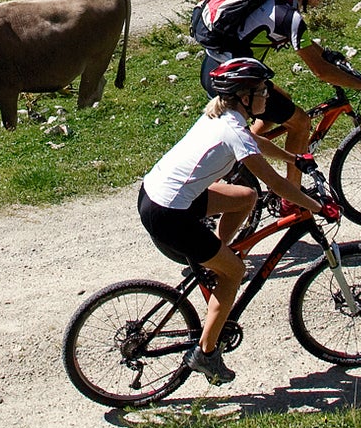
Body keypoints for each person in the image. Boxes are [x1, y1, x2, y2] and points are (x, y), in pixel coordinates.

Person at [138, 56, 337, 385]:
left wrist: (294, 158)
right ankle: (206, 353)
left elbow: (254, 142)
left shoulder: (225, 115)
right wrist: (317, 206)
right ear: (244, 96)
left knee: (246, 197)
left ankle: (220, 256)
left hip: (156, 194)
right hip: (168, 213)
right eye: (262, 90)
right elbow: (277, 184)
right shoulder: (232, 128)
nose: (267, 96)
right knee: (235, 272)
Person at [193, 0, 361, 161]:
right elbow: (321, 72)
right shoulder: (289, 17)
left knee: (282, 102)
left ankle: (241, 156)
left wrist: (328, 55)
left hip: (215, 66)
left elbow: (306, 44)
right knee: (300, 122)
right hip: (234, 82)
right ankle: (290, 183)